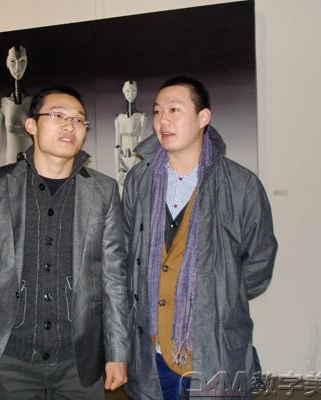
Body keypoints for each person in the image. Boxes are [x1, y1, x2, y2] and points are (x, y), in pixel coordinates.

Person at [0, 86, 130, 399]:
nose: (70, 126)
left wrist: (117, 351)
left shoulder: (103, 191)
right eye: (58, 116)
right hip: (10, 357)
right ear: (31, 125)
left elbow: (114, 277)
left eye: (79, 120)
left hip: (80, 362)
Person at [123, 76, 277, 400]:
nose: (162, 120)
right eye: (157, 111)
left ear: (203, 117)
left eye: (174, 110)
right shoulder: (139, 181)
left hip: (213, 350)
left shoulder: (241, 185)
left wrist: (217, 292)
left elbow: (260, 263)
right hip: (151, 354)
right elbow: (126, 253)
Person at [0, 45, 33, 169]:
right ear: (7, 63)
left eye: (22, 61)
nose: (17, 68)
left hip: (32, 168)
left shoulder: (35, 103)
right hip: (11, 167)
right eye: (13, 62)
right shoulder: (1, 105)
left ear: (27, 63)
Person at [114, 80, 146, 193]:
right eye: (127, 91)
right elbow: (117, 145)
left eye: (133, 91)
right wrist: (117, 169)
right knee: (122, 191)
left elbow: (141, 145)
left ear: (137, 92)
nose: (130, 94)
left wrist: (135, 166)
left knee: (136, 190)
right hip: (123, 160)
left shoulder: (141, 117)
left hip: (135, 160)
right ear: (123, 92)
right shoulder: (119, 118)